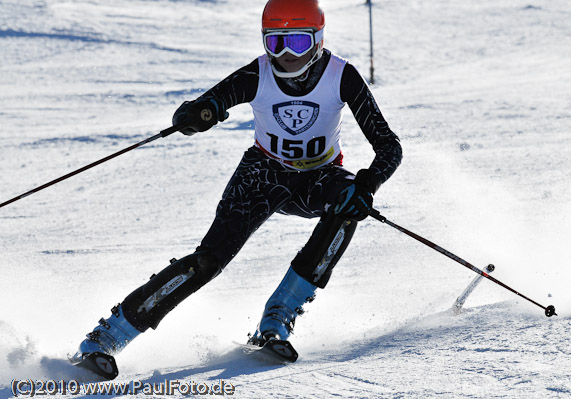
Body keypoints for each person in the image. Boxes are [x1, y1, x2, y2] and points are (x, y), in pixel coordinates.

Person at [71, 0, 402, 369]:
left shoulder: (342, 75)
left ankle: (276, 320)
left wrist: (368, 184)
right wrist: (198, 113)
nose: (287, 55)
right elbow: (214, 100)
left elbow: (389, 146)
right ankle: (107, 336)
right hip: (263, 175)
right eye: (276, 43)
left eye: (298, 42)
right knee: (209, 259)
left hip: (319, 178)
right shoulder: (257, 74)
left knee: (348, 207)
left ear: (319, 40)